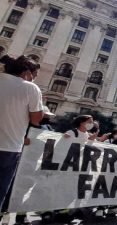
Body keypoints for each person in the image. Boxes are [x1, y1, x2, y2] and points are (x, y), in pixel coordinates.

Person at [0, 55, 43, 225]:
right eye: (34, 75)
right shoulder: (30, 88)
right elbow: (36, 120)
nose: (34, 78)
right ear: (26, 72)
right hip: (8, 148)